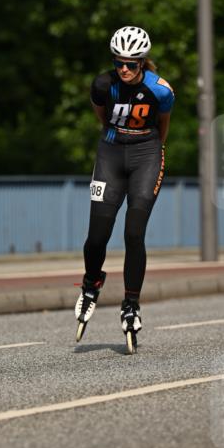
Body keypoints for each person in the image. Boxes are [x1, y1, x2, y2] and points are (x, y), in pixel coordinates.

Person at [75, 25, 175, 350]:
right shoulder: (103, 85)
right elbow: (102, 118)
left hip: (147, 155)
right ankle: (91, 283)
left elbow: (163, 127)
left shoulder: (160, 90)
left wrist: (149, 149)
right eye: (118, 62)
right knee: (97, 235)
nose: (124, 69)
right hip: (111, 153)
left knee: (133, 232)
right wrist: (119, 139)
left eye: (131, 64)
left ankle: (131, 303)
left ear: (142, 62)